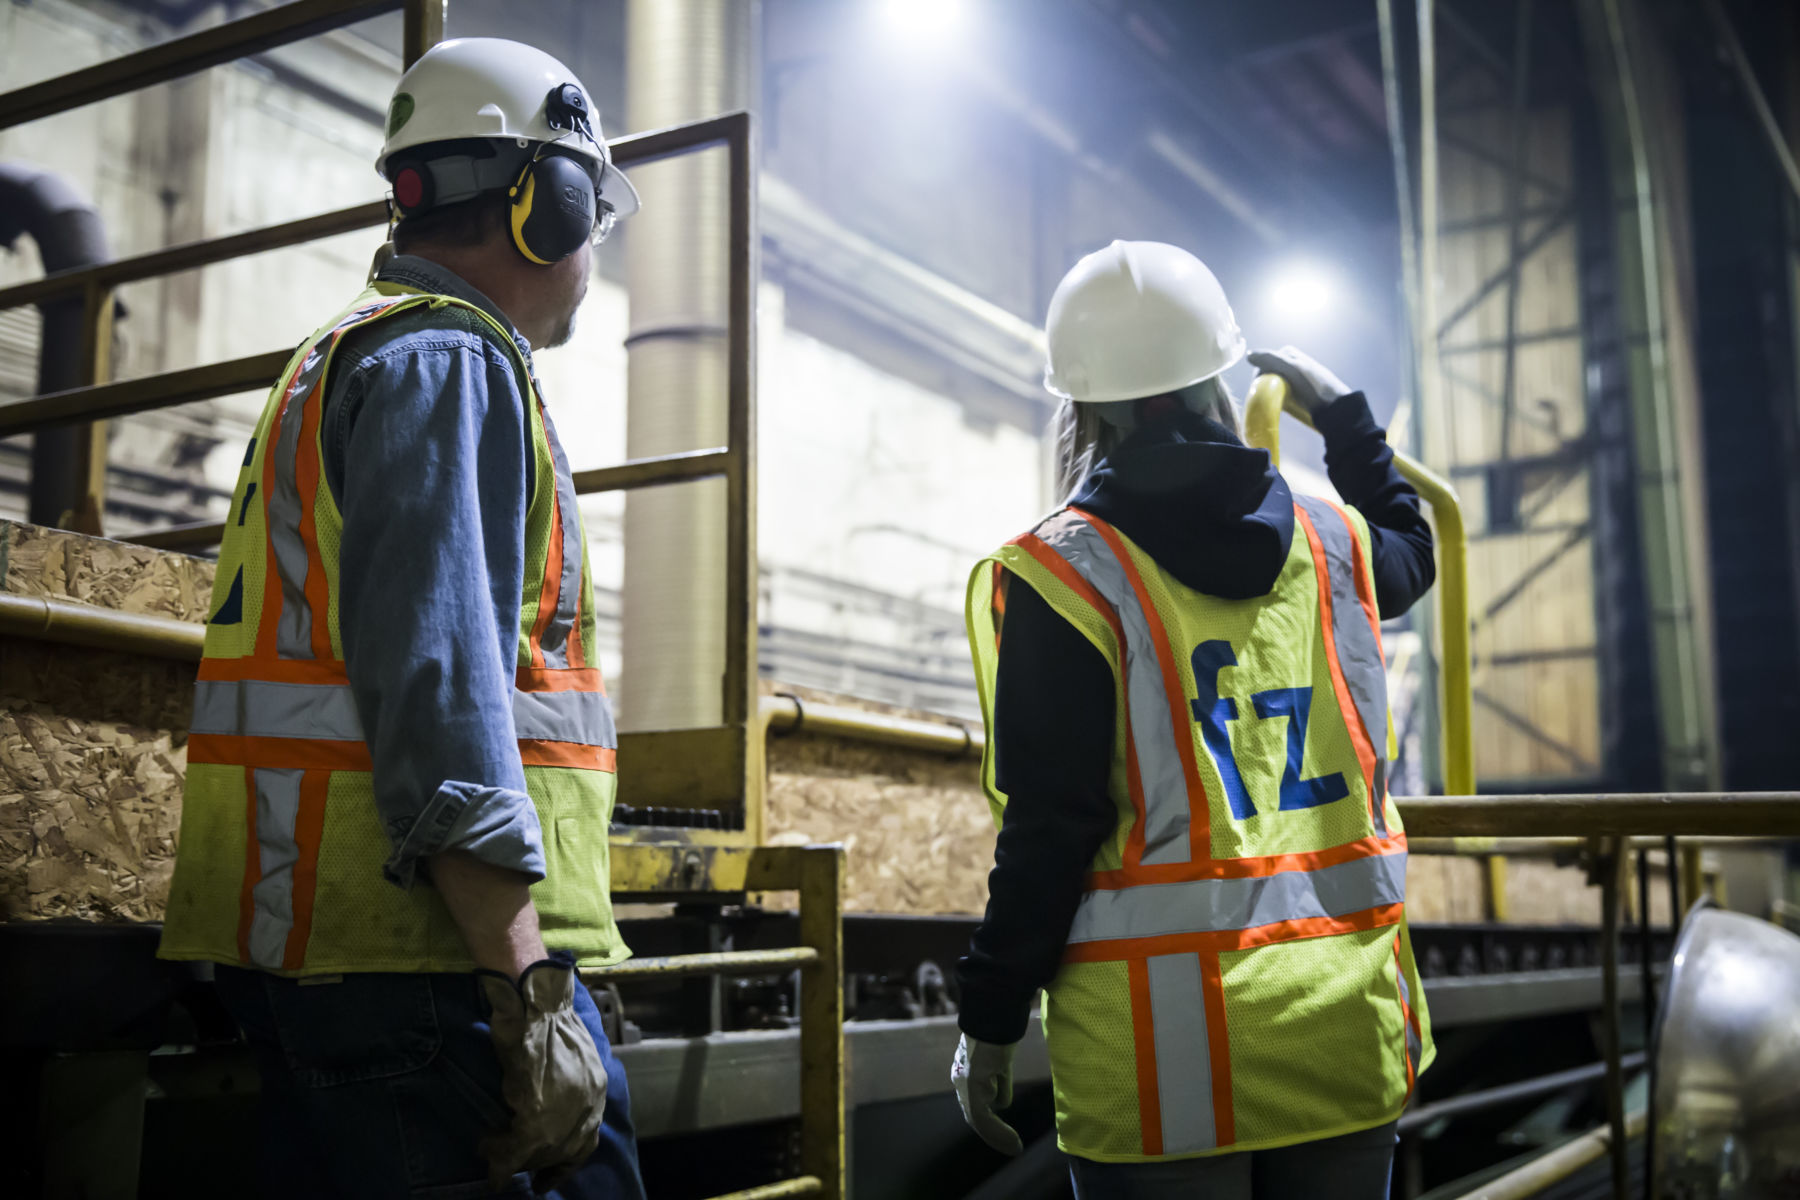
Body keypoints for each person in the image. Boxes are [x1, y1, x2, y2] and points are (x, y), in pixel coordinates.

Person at [157, 38, 645, 1199]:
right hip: (424, 967)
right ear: (547, 206)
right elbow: (441, 694)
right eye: (590, 212)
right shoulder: (447, 360)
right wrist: (527, 982)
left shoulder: (338, 359)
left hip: (317, 957)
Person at [949, 240, 1436, 1199]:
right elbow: (1415, 550)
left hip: (1158, 1062)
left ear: (1085, 404)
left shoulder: (1065, 576)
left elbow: (1052, 827)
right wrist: (1344, 422)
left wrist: (990, 1018)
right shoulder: (1335, 542)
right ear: (1218, 376)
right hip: (1343, 1029)